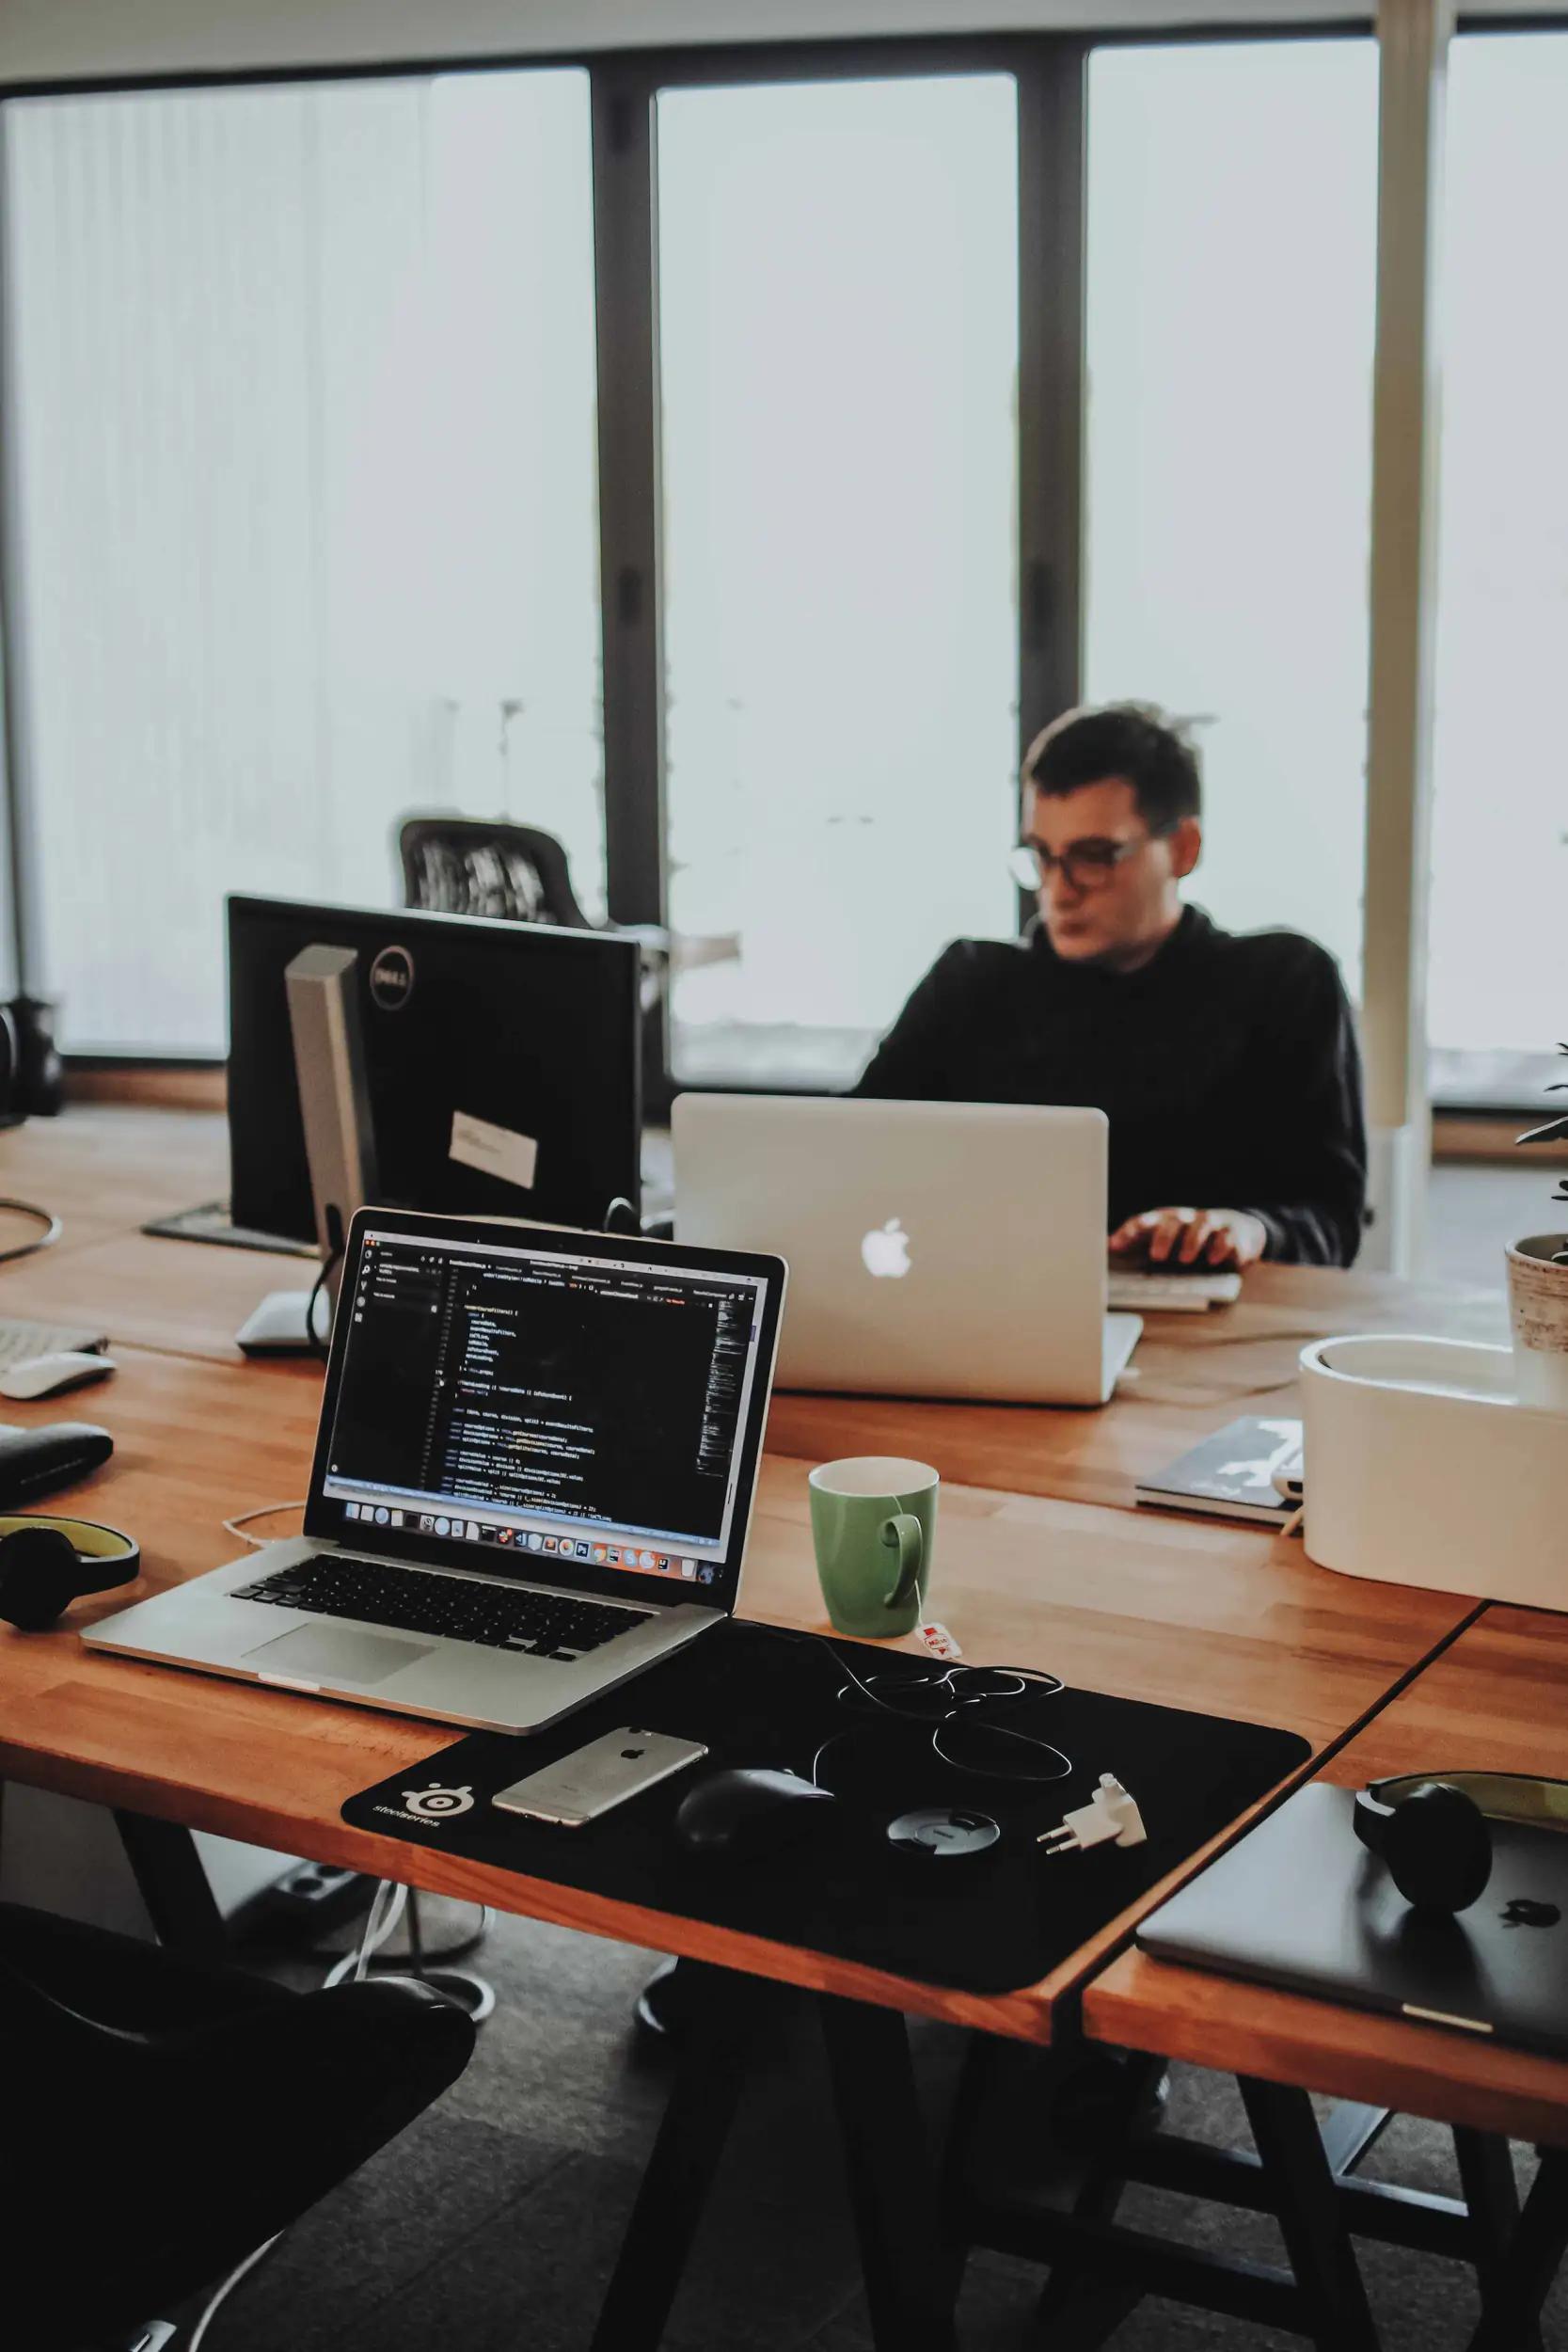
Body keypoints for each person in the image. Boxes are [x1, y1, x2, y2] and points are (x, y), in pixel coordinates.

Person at [854, 702, 1366, 1268]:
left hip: (1216, 1336)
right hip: (992, 1316)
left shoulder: (1284, 985)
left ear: (1183, 849)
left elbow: (1332, 1221)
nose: (1059, 890)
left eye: (1094, 857)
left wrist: (1247, 1229)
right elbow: (849, 1156)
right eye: (1043, 857)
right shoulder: (969, 984)